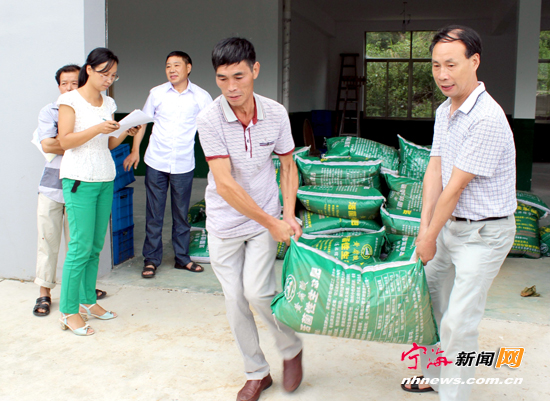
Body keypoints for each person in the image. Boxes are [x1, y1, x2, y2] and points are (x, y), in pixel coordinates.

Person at [401, 26, 516, 400]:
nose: (442, 74)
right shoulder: (444, 110)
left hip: (484, 235)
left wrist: (429, 237)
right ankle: (434, 375)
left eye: (451, 64)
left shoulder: (487, 118)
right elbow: (434, 170)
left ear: (474, 61)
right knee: (428, 303)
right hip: (448, 227)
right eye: (436, 65)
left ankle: (454, 395)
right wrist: (425, 231)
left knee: (459, 322)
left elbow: (455, 187)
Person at [197, 37, 304, 401]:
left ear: (255, 70)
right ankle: (257, 373)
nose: (231, 87)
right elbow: (225, 185)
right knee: (235, 300)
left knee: (258, 292)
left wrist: (286, 214)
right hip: (225, 223)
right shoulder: (209, 118)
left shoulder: (276, 113)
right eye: (222, 78)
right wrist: (273, 223)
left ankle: (290, 347)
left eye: (238, 76)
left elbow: (288, 166)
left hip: (264, 219)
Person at [57, 48, 140, 336]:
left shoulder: (109, 102)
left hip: (105, 177)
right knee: (79, 248)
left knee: (94, 246)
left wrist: (124, 131)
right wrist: (97, 128)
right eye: (104, 73)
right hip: (79, 179)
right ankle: (68, 311)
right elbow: (65, 142)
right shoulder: (69, 100)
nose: (109, 79)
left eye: (113, 75)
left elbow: (108, 144)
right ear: (89, 69)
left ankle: (87, 301)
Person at [123, 51, 212, 278]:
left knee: (181, 214)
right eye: (168, 66)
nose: (171, 70)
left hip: (183, 163)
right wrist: (135, 150)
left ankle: (182, 258)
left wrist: (215, 159)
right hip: (156, 161)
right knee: (154, 214)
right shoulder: (157, 93)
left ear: (188, 68)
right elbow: (142, 122)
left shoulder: (201, 97)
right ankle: (151, 260)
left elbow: (210, 128)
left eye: (176, 65)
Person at [32, 64, 107, 317]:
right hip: (52, 186)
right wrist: (77, 141)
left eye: (74, 82)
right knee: (48, 241)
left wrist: (71, 141)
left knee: (80, 244)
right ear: (59, 86)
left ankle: (83, 292)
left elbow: (96, 142)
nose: (69, 87)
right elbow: (48, 145)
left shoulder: (90, 107)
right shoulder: (49, 111)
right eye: (64, 83)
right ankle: (44, 292)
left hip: (82, 184)